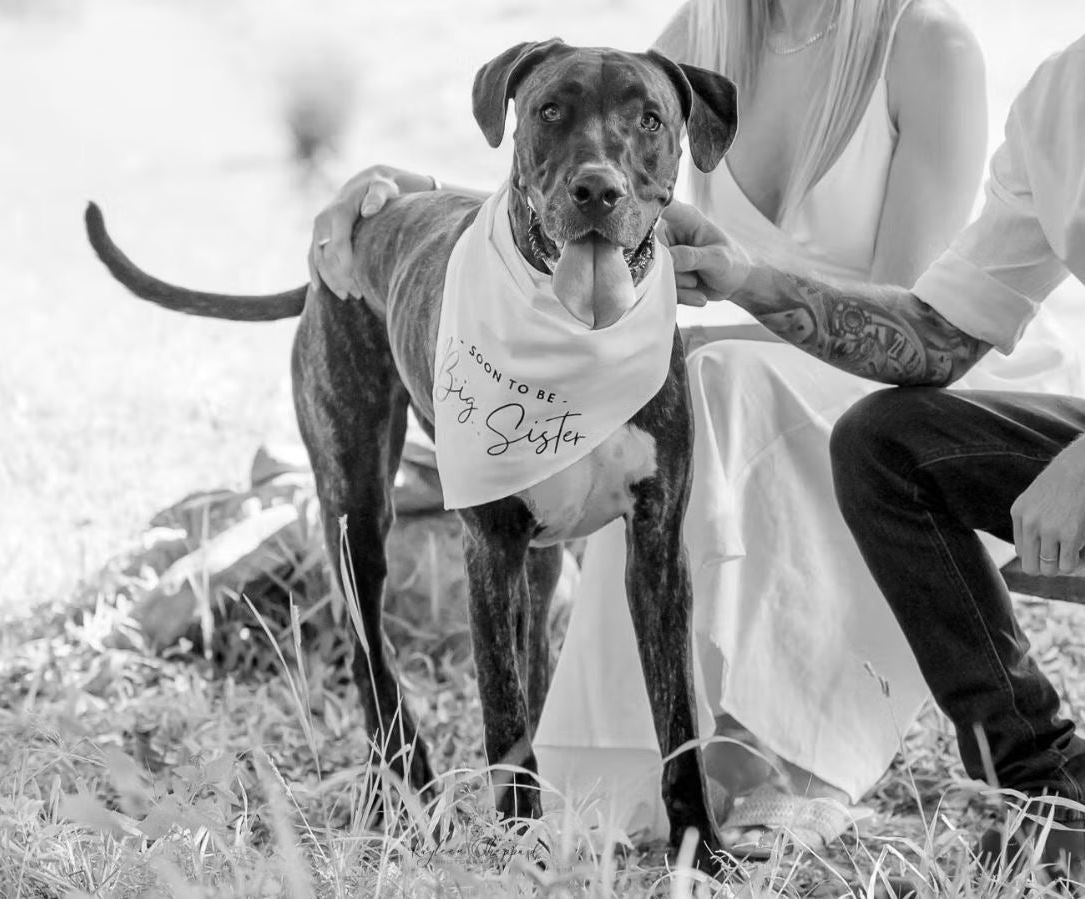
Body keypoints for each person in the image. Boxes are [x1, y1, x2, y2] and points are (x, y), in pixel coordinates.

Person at [308, 0, 1080, 852]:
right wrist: (416, 196)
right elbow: (576, 167)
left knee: (706, 380)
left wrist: (735, 288)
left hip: (889, 372)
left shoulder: (929, 45)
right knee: (691, 381)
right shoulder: (702, 37)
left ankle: (774, 762)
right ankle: (655, 761)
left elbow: (909, 321)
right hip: (779, 352)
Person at [663, 32, 1085, 883]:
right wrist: (751, 280)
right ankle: (1051, 787)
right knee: (884, 445)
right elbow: (935, 335)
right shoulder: (1061, 96)